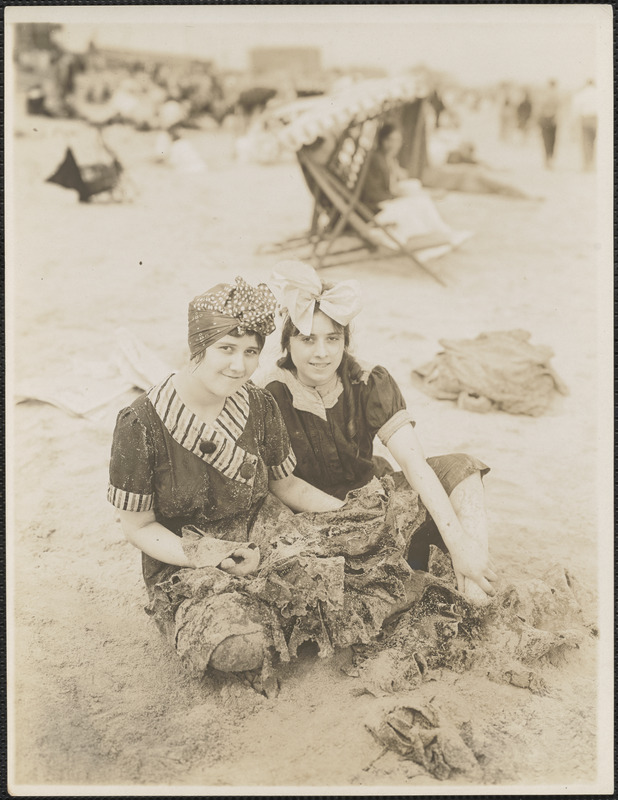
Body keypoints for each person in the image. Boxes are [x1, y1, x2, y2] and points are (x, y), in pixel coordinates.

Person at [108, 277, 346, 678]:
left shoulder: (259, 404)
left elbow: (283, 485)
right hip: (186, 558)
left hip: (264, 530)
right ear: (197, 348)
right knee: (239, 650)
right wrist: (213, 556)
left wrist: (344, 512)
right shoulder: (141, 424)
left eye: (251, 352)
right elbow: (138, 526)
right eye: (226, 349)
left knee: (346, 584)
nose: (239, 366)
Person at [265, 261, 498, 603]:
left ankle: (476, 583)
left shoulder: (367, 379)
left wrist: (459, 543)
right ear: (288, 343)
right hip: (313, 516)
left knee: (463, 469)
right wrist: (356, 519)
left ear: (346, 339)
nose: (322, 352)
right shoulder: (270, 394)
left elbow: (413, 462)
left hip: (372, 498)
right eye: (307, 339)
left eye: (333, 338)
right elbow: (283, 485)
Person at [360, 123, 470, 257]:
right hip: (376, 208)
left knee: (420, 202)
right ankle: (441, 236)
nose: (395, 144)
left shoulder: (388, 159)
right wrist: (397, 196)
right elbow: (372, 193)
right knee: (419, 204)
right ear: (383, 141)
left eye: (398, 140)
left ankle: (444, 233)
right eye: (391, 140)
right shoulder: (376, 160)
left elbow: (393, 183)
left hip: (385, 202)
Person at [571, 79, 597, 171]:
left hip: (586, 119)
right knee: (596, 143)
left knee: (586, 142)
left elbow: (576, 110)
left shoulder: (581, 94)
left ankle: (587, 164)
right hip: (597, 119)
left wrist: (573, 124)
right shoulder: (599, 93)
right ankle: (593, 164)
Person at [537, 79, 561, 169]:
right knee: (552, 141)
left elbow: (539, 109)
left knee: (546, 141)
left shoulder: (544, 95)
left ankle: (547, 160)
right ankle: (550, 160)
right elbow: (559, 109)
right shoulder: (556, 95)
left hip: (545, 120)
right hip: (552, 120)